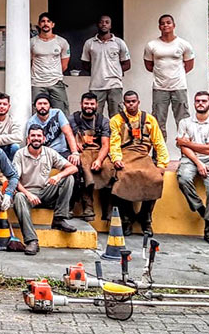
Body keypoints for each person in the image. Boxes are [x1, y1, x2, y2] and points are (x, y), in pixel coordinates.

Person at [108, 90, 169, 236]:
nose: (131, 104)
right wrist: (116, 159)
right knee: (123, 178)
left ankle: (145, 217)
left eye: (133, 101)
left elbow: (159, 142)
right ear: (124, 103)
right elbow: (114, 142)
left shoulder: (149, 119)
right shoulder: (116, 120)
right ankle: (127, 218)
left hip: (143, 156)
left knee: (155, 179)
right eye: (128, 102)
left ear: (138, 102)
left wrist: (162, 164)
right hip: (125, 156)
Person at [11, 125, 79, 255]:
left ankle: (59, 218)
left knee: (68, 178)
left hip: (46, 191)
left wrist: (58, 175)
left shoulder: (49, 152)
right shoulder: (20, 154)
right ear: (28, 138)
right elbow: (15, 180)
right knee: (19, 197)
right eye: (33, 136)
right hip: (28, 194)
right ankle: (31, 241)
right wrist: (28, 194)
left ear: (43, 138)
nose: (36, 138)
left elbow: (73, 168)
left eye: (38, 136)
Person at [176, 90, 209, 245]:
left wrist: (186, 143)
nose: (200, 104)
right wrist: (198, 162)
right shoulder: (185, 123)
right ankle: (202, 210)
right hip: (189, 159)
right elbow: (183, 149)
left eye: (204, 101)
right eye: (197, 101)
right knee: (183, 179)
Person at [143, 14, 195, 142]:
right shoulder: (152, 45)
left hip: (179, 87)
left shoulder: (183, 44)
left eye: (168, 22)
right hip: (160, 88)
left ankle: (186, 155)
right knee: (158, 122)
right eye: (162, 23)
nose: (166, 25)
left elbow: (189, 65)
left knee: (183, 121)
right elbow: (149, 65)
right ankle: (159, 156)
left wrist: (177, 75)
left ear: (174, 25)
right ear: (159, 26)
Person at [69, 92, 111, 221]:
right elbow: (68, 136)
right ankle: (88, 207)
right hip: (82, 152)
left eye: (92, 104)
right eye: (86, 103)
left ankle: (108, 209)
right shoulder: (72, 119)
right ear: (81, 104)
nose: (89, 106)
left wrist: (99, 160)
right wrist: (75, 145)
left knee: (110, 170)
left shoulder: (103, 121)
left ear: (96, 105)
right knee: (84, 170)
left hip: (99, 152)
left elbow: (105, 144)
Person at [80, 15, 131, 117]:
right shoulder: (89, 43)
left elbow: (127, 64)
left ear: (110, 26)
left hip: (115, 85)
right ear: (97, 25)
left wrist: (115, 73)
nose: (104, 24)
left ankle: (115, 134)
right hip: (96, 86)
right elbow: (85, 64)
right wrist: (97, 71)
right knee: (95, 116)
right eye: (101, 22)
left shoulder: (119, 43)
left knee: (117, 116)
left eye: (107, 22)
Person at [30, 12, 71, 114]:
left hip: (56, 82)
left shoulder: (62, 42)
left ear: (53, 24)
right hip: (37, 83)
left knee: (62, 113)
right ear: (39, 24)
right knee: (37, 112)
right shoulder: (32, 42)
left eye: (48, 21)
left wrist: (53, 74)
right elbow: (28, 63)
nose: (45, 24)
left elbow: (64, 65)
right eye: (43, 21)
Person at [25, 94, 81, 164]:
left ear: (50, 106)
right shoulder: (31, 122)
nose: (42, 106)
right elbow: (29, 142)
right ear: (35, 106)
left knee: (76, 163)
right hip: (43, 155)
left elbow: (68, 133)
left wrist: (75, 153)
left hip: (61, 152)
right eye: (39, 104)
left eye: (45, 104)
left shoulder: (57, 113)